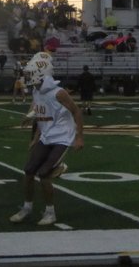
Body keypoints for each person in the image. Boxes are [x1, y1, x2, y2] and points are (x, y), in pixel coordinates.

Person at [10, 51, 85, 228]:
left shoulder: (58, 93)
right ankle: (27, 208)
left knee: (43, 174)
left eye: (29, 74)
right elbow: (42, 114)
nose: (27, 77)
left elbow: (76, 111)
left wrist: (79, 137)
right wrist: (35, 135)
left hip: (61, 138)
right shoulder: (37, 90)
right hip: (47, 136)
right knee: (28, 171)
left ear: (40, 74)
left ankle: (50, 212)